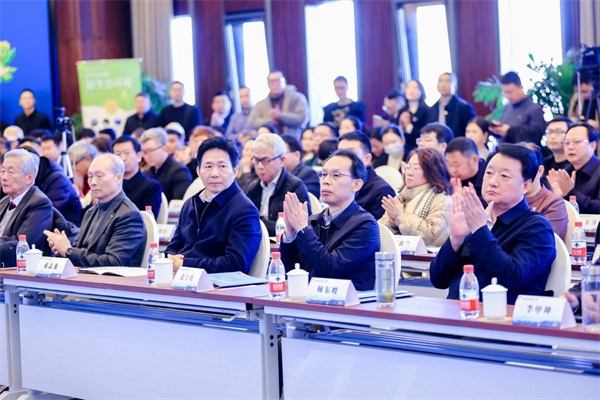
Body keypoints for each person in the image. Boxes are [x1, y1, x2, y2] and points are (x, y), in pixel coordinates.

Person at [430, 144, 556, 304]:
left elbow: (514, 276)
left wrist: (480, 230)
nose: (493, 182)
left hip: (503, 315)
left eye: (504, 176)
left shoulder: (537, 227)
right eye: (489, 173)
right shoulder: (475, 218)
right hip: (459, 312)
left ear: (525, 185)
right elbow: (438, 280)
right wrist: (456, 239)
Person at [280, 149, 380, 291]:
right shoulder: (314, 220)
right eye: (323, 174)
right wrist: (290, 234)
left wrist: (302, 228)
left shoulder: (365, 226)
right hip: (309, 298)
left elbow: (329, 269)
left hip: (347, 301)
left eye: (336, 175)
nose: (326, 181)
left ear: (356, 184)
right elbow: (291, 271)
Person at [165, 137, 261, 272]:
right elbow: (174, 246)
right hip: (180, 277)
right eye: (208, 166)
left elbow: (236, 262)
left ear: (235, 171)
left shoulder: (244, 210)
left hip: (216, 282)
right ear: (198, 172)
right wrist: (169, 258)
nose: (214, 174)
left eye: (222, 166)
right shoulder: (190, 203)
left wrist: (185, 264)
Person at [45, 154, 146, 267]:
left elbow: (114, 262)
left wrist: (68, 251)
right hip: (86, 275)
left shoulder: (128, 215)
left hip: (110, 277)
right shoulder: (91, 212)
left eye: (99, 176)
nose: (92, 182)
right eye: (90, 176)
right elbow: (78, 250)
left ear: (118, 178)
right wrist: (62, 249)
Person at [380, 148, 452, 247]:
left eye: (416, 168)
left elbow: (434, 236)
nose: (409, 172)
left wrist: (401, 217)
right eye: (408, 167)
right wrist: (392, 225)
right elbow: (379, 232)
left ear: (431, 171)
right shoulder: (399, 197)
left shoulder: (441, 199)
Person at [245, 133, 310, 236]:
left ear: (281, 160)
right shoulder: (253, 187)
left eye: (266, 161)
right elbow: (245, 221)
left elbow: (299, 227)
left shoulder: (295, 186)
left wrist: (260, 223)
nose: (260, 166)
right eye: (256, 160)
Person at [0, 149, 53, 266]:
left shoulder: (40, 203)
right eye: (2, 171)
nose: (3, 177)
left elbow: (22, 244)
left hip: (18, 269)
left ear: (29, 177)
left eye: (10, 172)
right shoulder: (4, 201)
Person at [18, 146, 82, 227]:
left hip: (68, 228)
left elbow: (46, 212)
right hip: (45, 224)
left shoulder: (57, 179)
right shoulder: (36, 175)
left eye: (12, 171)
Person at [338, 131, 395, 220]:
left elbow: (380, 227)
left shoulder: (382, 191)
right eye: (339, 153)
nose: (343, 158)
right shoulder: (338, 182)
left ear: (367, 159)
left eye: (350, 153)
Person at [548, 122, 600, 214]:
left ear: (593, 145)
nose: (570, 147)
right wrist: (556, 197)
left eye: (577, 142)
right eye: (567, 143)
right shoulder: (564, 173)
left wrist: (570, 193)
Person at [520, 142, 568, 241]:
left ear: (539, 171)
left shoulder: (553, 203)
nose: (518, 175)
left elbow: (542, 242)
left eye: (524, 169)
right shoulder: (505, 199)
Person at [248, 70, 309, 138]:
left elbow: (302, 118)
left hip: (293, 140)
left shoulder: (296, 98)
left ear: (284, 81)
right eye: (272, 81)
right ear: (268, 84)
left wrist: (280, 116)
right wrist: (270, 120)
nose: (275, 84)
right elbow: (252, 122)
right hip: (270, 141)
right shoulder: (260, 104)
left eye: (278, 80)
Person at [112, 135, 162, 217]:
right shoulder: (111, 185)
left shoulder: (151, 187)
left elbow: (147, 220)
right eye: (118, 154)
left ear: (139, 156)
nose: (123, 158)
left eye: (127, 153)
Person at [491, 71, 545, 145]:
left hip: (524, 150)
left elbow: (536, 135)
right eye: (505, 92)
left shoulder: (534, 109)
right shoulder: (507, 108)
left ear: (520, 86)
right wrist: (497, 129)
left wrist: (510, 131)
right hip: (505, 149)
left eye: (510, 92)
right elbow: (503, 134)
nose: (507, 96)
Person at [141, 127, 193, 202]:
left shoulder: (180, 172)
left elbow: (180, 205)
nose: (146, 155)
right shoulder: (147, 173)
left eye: (150, 150)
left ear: (164, 148)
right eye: (144, 152)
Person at [428, 73, 475, 138]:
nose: (443, 85)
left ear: (455, 87)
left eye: (447, 82)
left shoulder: (464, 107)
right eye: (441, 81)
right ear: (437, 86)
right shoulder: (432, 109)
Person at [445, 137, 486, 204]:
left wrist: (470, 200)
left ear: (474, 160)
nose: (453, 170)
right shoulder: (446, 176)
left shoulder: (488, 178)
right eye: (449, 165)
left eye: (456, 165)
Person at [399, 80, 430, 152]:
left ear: (421, 91)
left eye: (415, 88)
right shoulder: (402, 110)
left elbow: (426, 133)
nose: (411, 91)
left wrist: (408, 126)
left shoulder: (427, 110)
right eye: (408, 87)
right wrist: (401, 125)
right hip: (404, 149)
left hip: (421, 148)